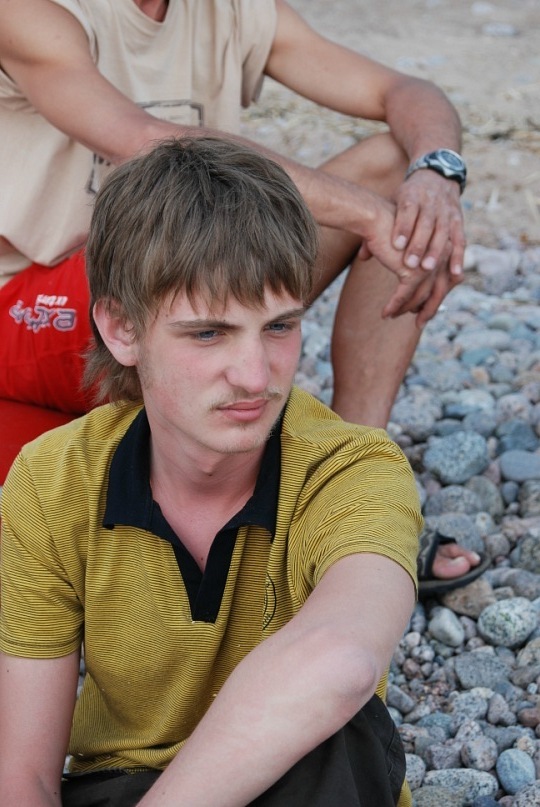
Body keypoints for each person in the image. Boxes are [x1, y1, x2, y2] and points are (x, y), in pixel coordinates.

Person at [0, 137, 422, 806]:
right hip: (122, 782)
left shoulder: (351, 468)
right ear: (121, 329)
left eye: (278, 327)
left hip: (303, 779)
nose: (255, 376)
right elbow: (22, 774)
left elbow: (342, 661)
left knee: (338, 738)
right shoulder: (54, 479)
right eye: (208, 333)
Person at [0, 0, 477, 583]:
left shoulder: (229, 9)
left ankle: (358, 489)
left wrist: (436, 176)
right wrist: (368, 214)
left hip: (193, 287)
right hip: (42, 303)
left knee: (399, 166)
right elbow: (146, 140)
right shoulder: (33, 11)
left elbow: (404, 91)